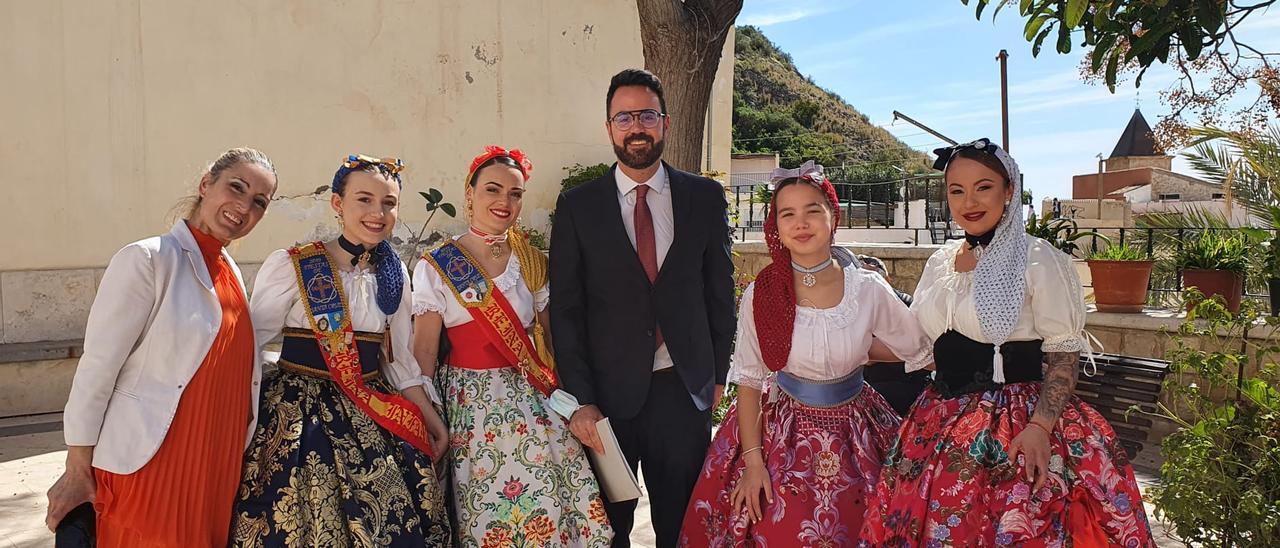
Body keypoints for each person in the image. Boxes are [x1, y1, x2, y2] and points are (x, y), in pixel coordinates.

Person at [860, 139, 1155, 546]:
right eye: (956, 190)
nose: (969, 201)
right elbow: (920, 345)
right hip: (938, 421)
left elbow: (1064, 355)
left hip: (1018, 423)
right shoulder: (940, 263)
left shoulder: (1040, 260)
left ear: (1009, 190)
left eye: (983, 187)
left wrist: (1040, 427)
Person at [679, 162, 932, 546]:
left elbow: (917, 349)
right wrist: (752, 463)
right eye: (788, 214)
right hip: (780, 431)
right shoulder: (762, 293)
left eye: (813, 210)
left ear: (834, 218)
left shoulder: (867, 289)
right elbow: (749, 379)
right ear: (776, 227)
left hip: (858, 432)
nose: (801, 222)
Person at [47, 148, 277, 546]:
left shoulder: (232, 273)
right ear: (206, 185)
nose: (243, 206)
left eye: (259, 201)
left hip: (214, 467)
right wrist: (77, 466)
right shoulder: (147, 259)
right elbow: (98, 367)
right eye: (235, 187)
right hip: (153, 463)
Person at [549, 68, 736, 547]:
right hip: (607, 400)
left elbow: (720, 291)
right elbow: (566, 311)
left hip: (683, 390)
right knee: (609, 530)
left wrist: (717, 377)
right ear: (609, 127)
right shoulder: (577, 207)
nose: (637, 126)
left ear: (666, 123)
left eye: (647, 114)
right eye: (624, 116)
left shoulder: (704, 197)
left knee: (681, 527)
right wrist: (581, 399)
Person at [229, 155, 452, 547]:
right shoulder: (293, 265)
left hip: (369, 408)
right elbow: (245, 347)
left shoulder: (394, 272)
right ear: (337, 204)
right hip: (297, 415)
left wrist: (432, 420)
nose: (377, 213)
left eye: (388, 203)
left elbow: (400, 363)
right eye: (364, 199)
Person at [412, 145, 612, 547]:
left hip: (533, 402)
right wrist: (426, 418)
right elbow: (425, 355)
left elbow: (551, 341)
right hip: (471, 406)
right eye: (492, 189)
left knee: (552, 506)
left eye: (515, 193)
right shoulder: (436, 266)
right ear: (470, 194)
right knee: (487, 516)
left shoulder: (532, 260)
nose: (504, 201)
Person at [857, 254, 931, 417]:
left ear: (886, 281)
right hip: (870, 384)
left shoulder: (906, 306)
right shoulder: (854, 308)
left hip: (903, 383)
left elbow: (920, 349)